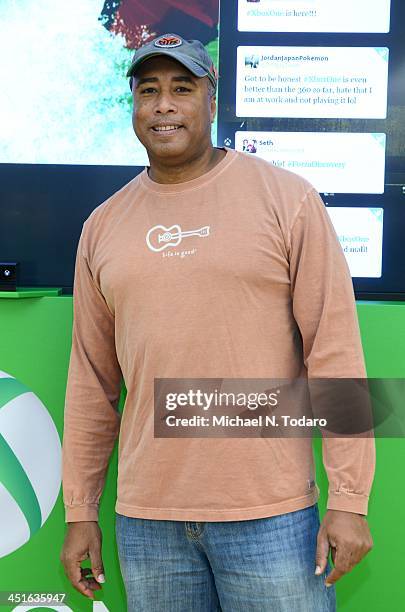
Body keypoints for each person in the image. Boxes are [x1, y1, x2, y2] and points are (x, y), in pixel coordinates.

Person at [60, 33, 375, 611]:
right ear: (132, 106)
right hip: (148, 522)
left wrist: (349, 499)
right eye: (148, 90)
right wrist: (81, 511)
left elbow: (333, 350)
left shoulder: (287, 200)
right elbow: (91, 383)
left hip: (272, 517)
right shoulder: (103, 226)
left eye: (183, 88)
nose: (164, 105)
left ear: (213, 104)